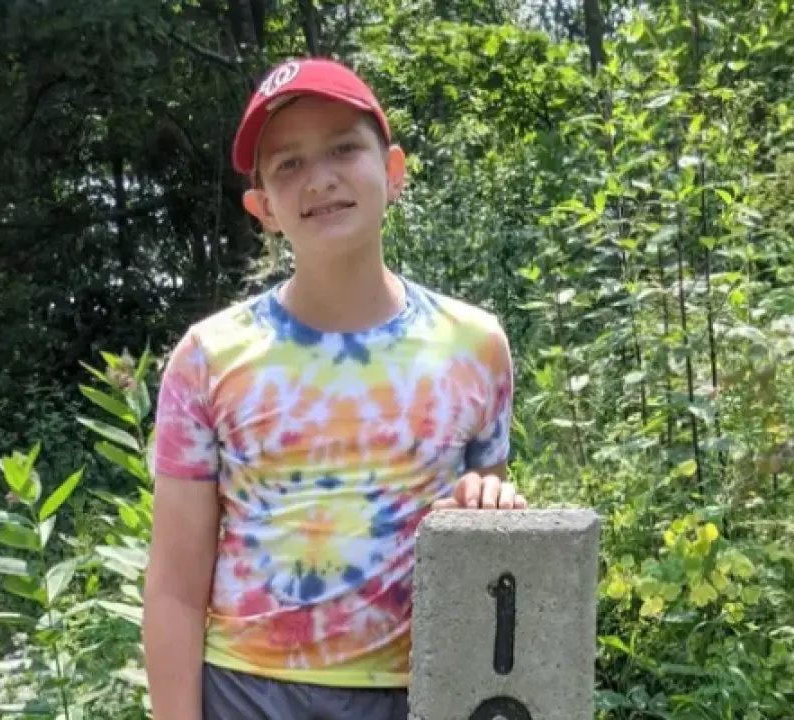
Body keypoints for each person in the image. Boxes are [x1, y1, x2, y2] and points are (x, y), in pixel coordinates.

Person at [142, 56, 526, 720]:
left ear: (394, 172)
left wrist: (487, 504)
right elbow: (175, 589)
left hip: (423, 692)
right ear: (263, 208)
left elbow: (485, 562)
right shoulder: (208, 358)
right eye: (288, 163)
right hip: (249, 695)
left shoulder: (476, 345)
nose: (319, 178)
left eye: (344, 148)